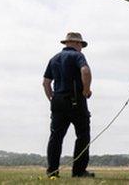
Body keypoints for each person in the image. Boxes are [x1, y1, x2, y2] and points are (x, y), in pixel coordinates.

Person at [43, 32, 94, 178]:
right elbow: (85, 70)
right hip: (75, 100)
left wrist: (51, 97)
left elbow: (46, 82)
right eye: (81, 45)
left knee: (56, 137)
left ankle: (52, 171)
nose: (81, 48)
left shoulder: (54, 59)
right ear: (76, 43)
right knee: (83, 135)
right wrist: (86, 89)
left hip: (57, 101)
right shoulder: (77, 56)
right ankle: (78, 171)